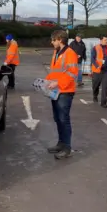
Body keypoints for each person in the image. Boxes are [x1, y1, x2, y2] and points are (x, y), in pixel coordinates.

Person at [46, 30, 79, 159]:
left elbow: (72, 73)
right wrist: (46, 81)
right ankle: (61, 143)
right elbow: (54, 71)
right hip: (56, 90)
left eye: (53, 40)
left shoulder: (70, 54)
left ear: (60, 39)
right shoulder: (56, 53)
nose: (52, 42)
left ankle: (67, 147)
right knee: (57, 118)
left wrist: (57, 83)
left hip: (65, 91)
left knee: (64, 119)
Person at [91, 35, 107, 108]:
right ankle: (95, 95)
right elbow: (92, 58)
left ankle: (103, 102)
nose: (106, 41)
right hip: (97, 70)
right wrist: (96, 65)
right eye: (105, 40)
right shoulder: (95, 48)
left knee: (105, 87)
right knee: (95, 85)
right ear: (101, 41)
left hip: (106, 70)